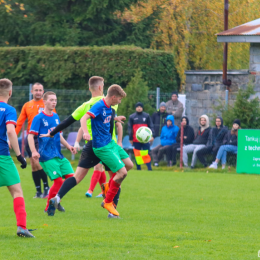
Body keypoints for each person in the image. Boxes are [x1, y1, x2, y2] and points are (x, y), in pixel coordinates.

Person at [41, 77, 128, 218]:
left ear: (89, 88)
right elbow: (108, 118)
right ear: (101, 88)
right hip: (107, 146)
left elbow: (67, 122)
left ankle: (56, 198)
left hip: (91, 145)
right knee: (117, 176)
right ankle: (111, 210)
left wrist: (52, 133)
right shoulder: (111, 102)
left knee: (77, 177)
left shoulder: (85, 105)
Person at [80, 84, 133, 217]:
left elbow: (104, 119)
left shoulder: (109, 107)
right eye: (120, 99)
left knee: (129, 165)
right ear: (114, 97)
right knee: (122, 173)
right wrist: (86, 133)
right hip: (101, 147)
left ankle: (109, 187)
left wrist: (116, 119)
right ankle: (107, 202)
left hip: (110, 143)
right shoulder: (98, 105)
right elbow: (84, 118)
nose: (120, 101)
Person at [28, 91, 77, 214]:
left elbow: (59, 135)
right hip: (46, 155)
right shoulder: (38, 118)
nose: (54, 102)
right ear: (44, 102)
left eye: (55, 100)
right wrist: (34, 151)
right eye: (51, 100)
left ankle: (57, 200)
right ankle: (47, 207)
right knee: (58, 181)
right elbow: (30, 136)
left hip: (58, 154)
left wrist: (68, 146)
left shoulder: (55, 116)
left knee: (72, 178)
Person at [0, 78, 34, 237]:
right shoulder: (9, 110)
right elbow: (11, 131)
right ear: (10, 92)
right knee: (16, 191)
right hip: (2, 157)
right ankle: (21, 227)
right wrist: (20, 156)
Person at [14, 82, 52, 198]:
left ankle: (47, 188)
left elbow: (54, 120)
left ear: (43, 91)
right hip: (30, 137)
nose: (38, 92)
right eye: (36, 90)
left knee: (37, 162)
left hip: (42, 138)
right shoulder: (27, 105)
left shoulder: (47, 104)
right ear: (32, 92)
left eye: (40, 90)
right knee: (33, 165)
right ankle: (38, 191)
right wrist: (13, 138)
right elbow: (20, 122)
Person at [128, 102, 154, 171]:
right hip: (136, 139)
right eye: (137, 107)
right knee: (138, 154)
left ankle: (149, 168)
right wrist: (130, 138)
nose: (139, 108)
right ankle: (138, 168)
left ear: (142, 108)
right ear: (136, 108)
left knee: (146, 153)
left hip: (146, 139)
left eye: (140, 107)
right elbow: (130, 128)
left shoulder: (147, 116)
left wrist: (152, 136)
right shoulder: (132, 117)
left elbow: (151, 126)